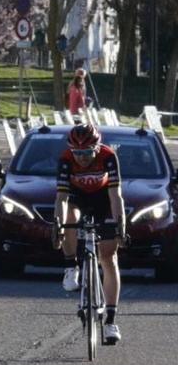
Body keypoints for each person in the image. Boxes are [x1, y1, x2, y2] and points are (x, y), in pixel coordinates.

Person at [52, 124, 125, 344]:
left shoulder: (108, 156)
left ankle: (111, 321)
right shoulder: (66, 159)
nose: (82, 158)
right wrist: (59, 228)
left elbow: (115, 196)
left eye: (87, 153)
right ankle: (70, 267)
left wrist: (121, 226)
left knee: (109, 257)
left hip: (103, 199)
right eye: (78, 153)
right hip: (76, 197)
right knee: (69, 218)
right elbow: (61, 199)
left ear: (97, 147)